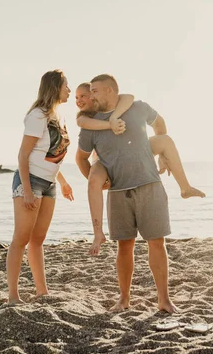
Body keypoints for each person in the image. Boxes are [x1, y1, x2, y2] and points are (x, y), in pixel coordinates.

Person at [76, 74, 177, 313]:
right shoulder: (91, 124)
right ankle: (124, 299)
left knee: (157, 243)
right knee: (124, 247)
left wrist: (162, 154)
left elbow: (159, 123)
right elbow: (80, 158)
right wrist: (98, 180)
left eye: (95, 91)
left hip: (149, 185)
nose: (91, 96)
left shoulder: (137, 107)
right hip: (118, 192)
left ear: (110, 90)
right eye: (89, 92)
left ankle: (163, 300)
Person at [74, 82, 205, 256]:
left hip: (135, 150)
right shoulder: (84, 119)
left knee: (165, 141)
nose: (80, 100)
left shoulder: (122, 105)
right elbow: (80, 154)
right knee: (94, 179)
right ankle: (98, 233)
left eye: (85, 95)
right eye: (77, 97)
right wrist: (101, 183)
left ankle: (185, 188)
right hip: (105, 160)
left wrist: (162, 157)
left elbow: (129, 98)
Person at [6, 69, 74, 304]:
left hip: (50, 183)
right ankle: (13, 296)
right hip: (31, 181)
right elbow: (23, 155)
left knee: (38, 240)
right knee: (21, 239)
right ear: (55, 87)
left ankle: (41, 291)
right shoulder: (38, 115)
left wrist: (63, 181)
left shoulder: (59, 116)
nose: (70, 90)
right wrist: (26, 190)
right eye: (66, 86)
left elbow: (51, 155)